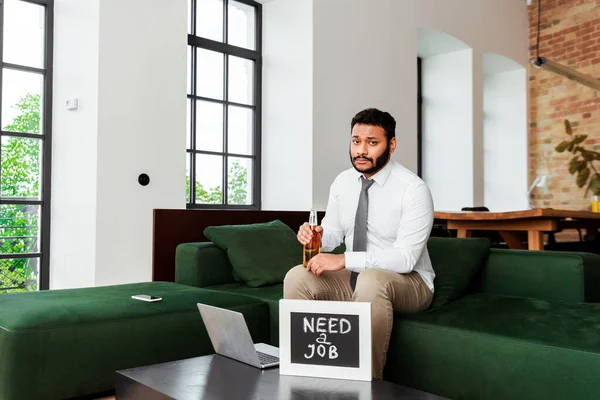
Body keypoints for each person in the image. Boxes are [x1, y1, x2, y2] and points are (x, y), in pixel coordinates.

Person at [283, 108, 435, 380]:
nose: (361, 150)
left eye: (372, 142)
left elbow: (405, 259)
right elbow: (332, 236)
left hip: (411, 282)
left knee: (372, 280)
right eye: (356, 141)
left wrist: (344, 260)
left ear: (392, 144)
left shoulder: (413, 189)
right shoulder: (343, 182)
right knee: (297, 276)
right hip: (358, 276)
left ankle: (367, 386)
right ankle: (306, 377)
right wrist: (314, 235)